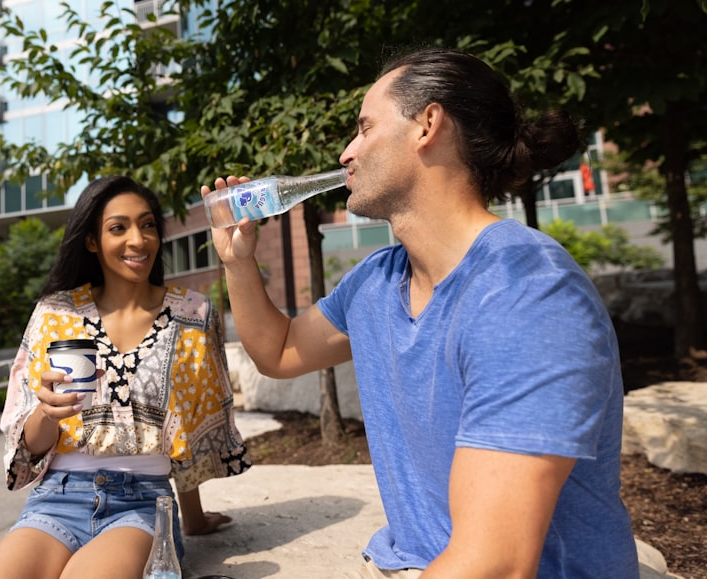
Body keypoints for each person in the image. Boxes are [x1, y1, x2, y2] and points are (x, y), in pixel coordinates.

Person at [204, 48, 641, 578]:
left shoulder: (526, 292)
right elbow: (278, 351)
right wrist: (239, 264)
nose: (346, 152)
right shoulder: (378, 280)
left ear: (428, 124)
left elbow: (496, 565)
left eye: (364, 128)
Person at [0, 176, 250, 579]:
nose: (138, 240)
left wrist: (193, 518)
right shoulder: (56, 313)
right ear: (91, 241)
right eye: (118, 228)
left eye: (148, 224)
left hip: (140, 505)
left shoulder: (192, 315)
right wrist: (47, 414)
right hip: (56, 499)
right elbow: (28, 449)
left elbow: (192, 430)